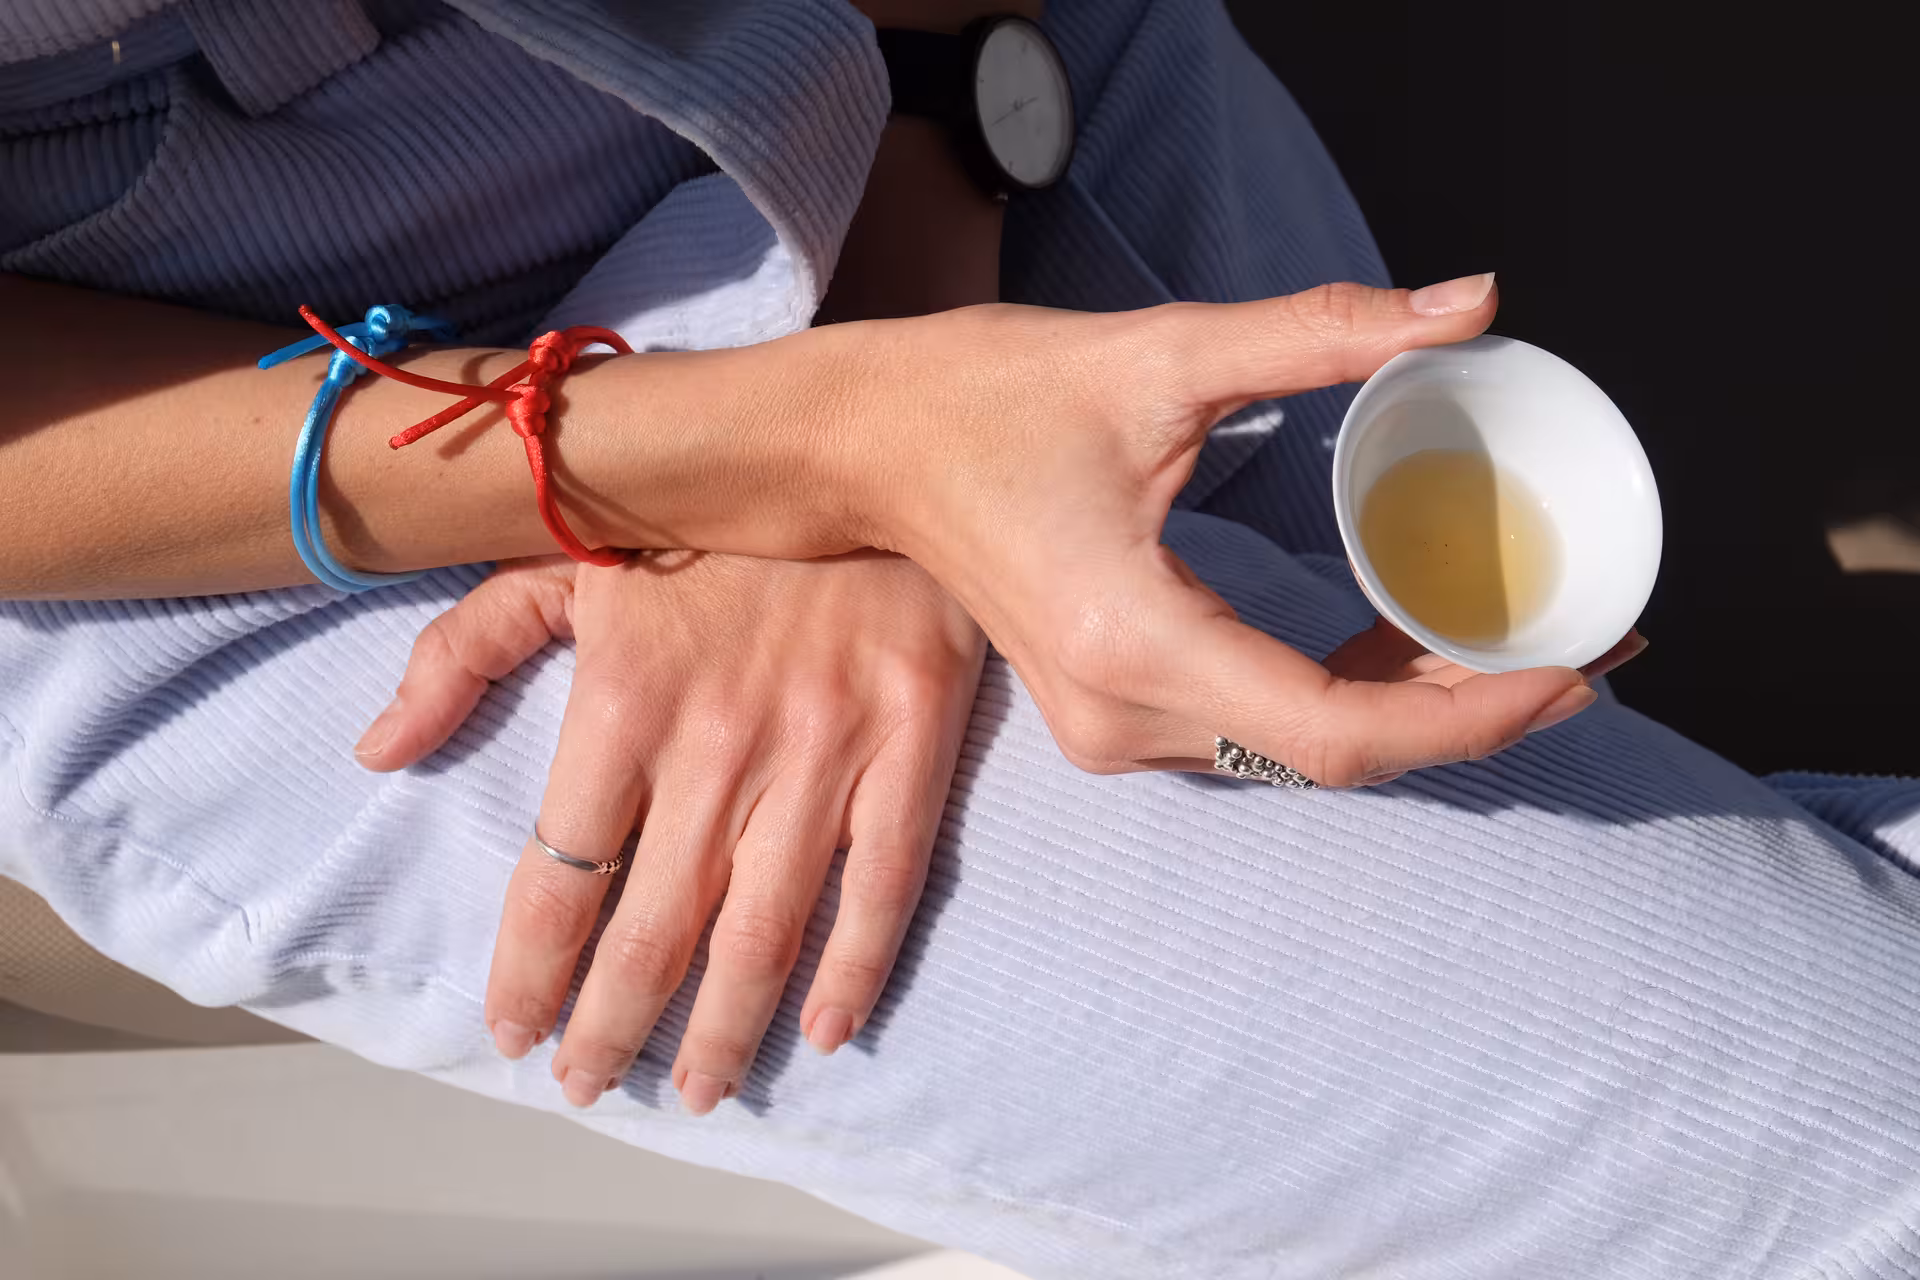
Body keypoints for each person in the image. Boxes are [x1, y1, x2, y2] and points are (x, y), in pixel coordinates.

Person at [3, 2, 1918, 1276]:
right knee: (1862, 1126)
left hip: (908, 70)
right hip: (232, 474)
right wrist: (779, 451)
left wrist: (903, 247)